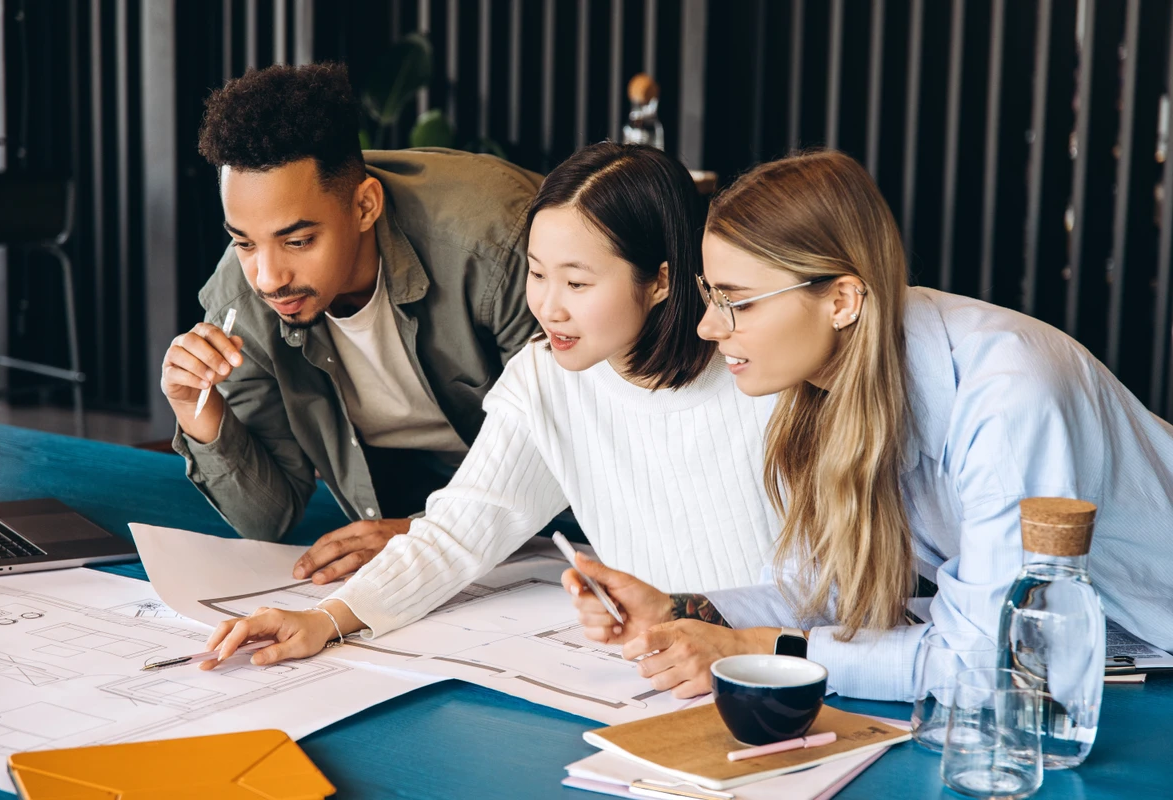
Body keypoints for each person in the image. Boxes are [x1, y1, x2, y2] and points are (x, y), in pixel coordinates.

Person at [563, 149, 1173, 701]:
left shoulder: (1008, 400)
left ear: (842, 301)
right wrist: (679, 609)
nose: (708, 327)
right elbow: (823, 600)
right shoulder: (830, 379)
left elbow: (989, 666)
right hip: (1101, 662)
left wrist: (758, 652)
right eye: (710, 295)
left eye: (737, 301)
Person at [199, 142, 782, 668]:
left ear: (660, 281)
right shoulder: (545, 377)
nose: (549, 308)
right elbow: (458, 530)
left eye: (577, 284)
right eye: (536, 274)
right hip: (670, 666)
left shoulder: (759, 377)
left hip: (791, 666)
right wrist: (325, 619)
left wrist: (724, 634)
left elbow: (837, 592)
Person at [161, 62, 543, 545]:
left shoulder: (495, 247)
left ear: (365, 206)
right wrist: (196, 409)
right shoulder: (240, 300)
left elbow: (562, 450)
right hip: (405, 495)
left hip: (552, 508)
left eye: (297, 241)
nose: (268, 278)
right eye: (244, 242)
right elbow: (268, 519)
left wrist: (427, 537)